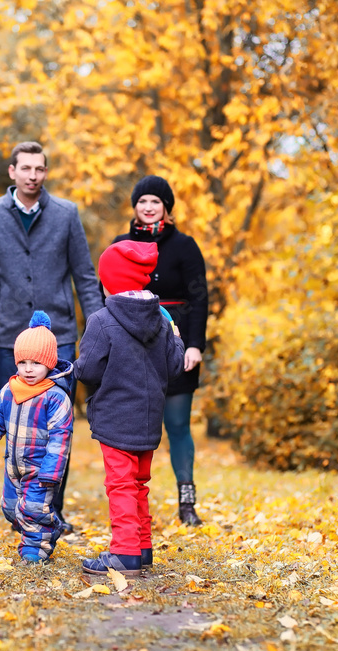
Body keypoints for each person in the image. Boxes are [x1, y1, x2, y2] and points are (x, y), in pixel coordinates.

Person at [0, 141, 104, 533]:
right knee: (14, 424)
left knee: (55, 427)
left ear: (45, 172)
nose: (32, 175)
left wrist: (98, 330)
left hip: (58, 337)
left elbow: (85, 276)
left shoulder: (66, 214)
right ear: (12, 172)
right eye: (25, 168)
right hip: (10, 336)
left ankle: (50, 512)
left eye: (39, 169)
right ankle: (19, 511)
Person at [74, 241, 185, 576]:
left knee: (120, 484)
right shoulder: (162, 320)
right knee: (139, 483)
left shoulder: (102, 320)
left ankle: (124, 552)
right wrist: (177, 336)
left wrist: (75, 366)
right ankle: (142, 546)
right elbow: (176, 367)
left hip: (115, 419)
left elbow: (88, 370)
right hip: (149, 420)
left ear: (109, 280)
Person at [113, 175, 209, 526]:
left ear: (166, 207)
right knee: (135, 426)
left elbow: (200, 298)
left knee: (178, 425)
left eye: (155, 201)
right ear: (135, 207)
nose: (149, 207)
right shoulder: (120, 245)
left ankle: (187, 503)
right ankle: (133, 505)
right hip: (134, 348)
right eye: (142, 202)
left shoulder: (185, 246)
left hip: (178, 344)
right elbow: (106, 296)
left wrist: (195, 344)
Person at [0, 312, 75, 564]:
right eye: (22, 362)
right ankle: (50, 525)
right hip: (13, 467)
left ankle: (34, 553)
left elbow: (61, 438)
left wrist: (52, 472)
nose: (28, 369)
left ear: (49, 363)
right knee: (11, 508)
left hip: (40, 471)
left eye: (35, 363)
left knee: (33, 509)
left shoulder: (56, 397)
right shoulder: (9, 390)